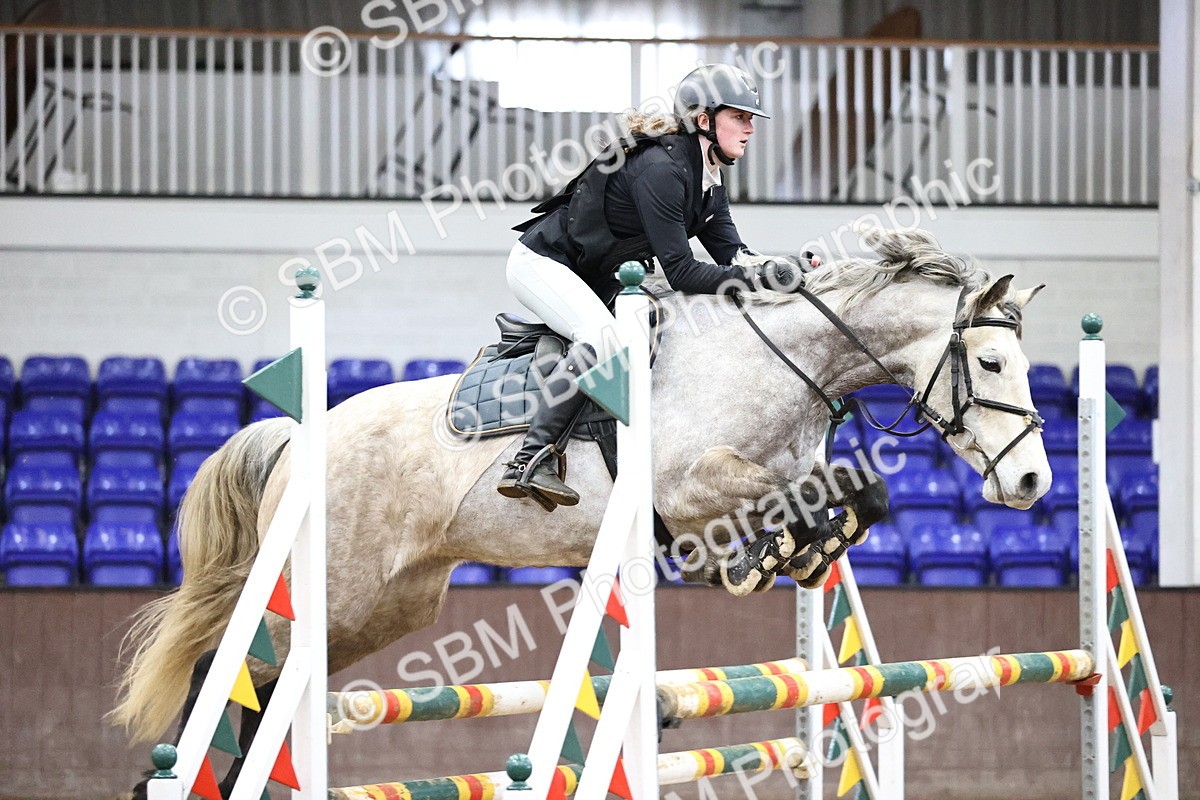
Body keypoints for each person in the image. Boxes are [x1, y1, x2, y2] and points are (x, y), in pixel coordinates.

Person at [498, 63, 812, 508]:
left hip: (596, 273)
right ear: (704, 120)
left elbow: (734, 257)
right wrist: (762, 279)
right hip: (543, 263)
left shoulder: (707, 177)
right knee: (602, 338)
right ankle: (531, 459)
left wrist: (790, 269)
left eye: (750, 119)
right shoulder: (662, 170)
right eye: (739, 117)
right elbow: (682, 272)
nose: (749, 129)